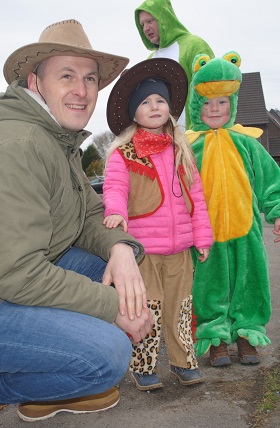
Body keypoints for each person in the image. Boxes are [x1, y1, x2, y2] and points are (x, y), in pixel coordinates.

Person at [0, 19, 155, 427]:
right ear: (36, 82)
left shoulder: (57, 140)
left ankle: (45, 390)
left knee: (118, 273)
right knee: (106, 355)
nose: (82, 90)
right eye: (66, 76)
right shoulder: (17, 145)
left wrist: (121, 249)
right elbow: (18, 273)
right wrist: (114, 308)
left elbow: (89, 214)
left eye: (90, 78)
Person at [185, 52, 280, 367]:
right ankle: (216, 337)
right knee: (210, 286)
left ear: (233, 104)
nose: (214, 109)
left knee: (250, 280)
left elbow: (269, 179)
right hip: (206, 234)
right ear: (196, 106)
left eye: (222, 102)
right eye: (207, 103)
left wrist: (278, 212)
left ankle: (247, 333)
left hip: (246, 228)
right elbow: (179, 190)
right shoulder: (190, 147)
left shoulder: (247, 143)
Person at [103, 58, 213, 391]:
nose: (154, 107)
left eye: (160, 100)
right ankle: (143, 365)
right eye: (145, 102)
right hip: (144, 251)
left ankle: (183, 362)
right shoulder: (124, 154)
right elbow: (115, 188)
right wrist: (116, 212)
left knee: (181, 307)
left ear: (170, 109)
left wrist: (202, 237)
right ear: (134, 113)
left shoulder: (182, 151)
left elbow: (197, 198)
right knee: (145, 307)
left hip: (180, 250)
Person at [135, 0, 214, 130]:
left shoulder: (193, 45)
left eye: (150, 21)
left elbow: (213, 88)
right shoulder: (149, 61)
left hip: (196, 135)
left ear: (164, 18)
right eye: (142, 24)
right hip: (165, 139)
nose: (145, 28)